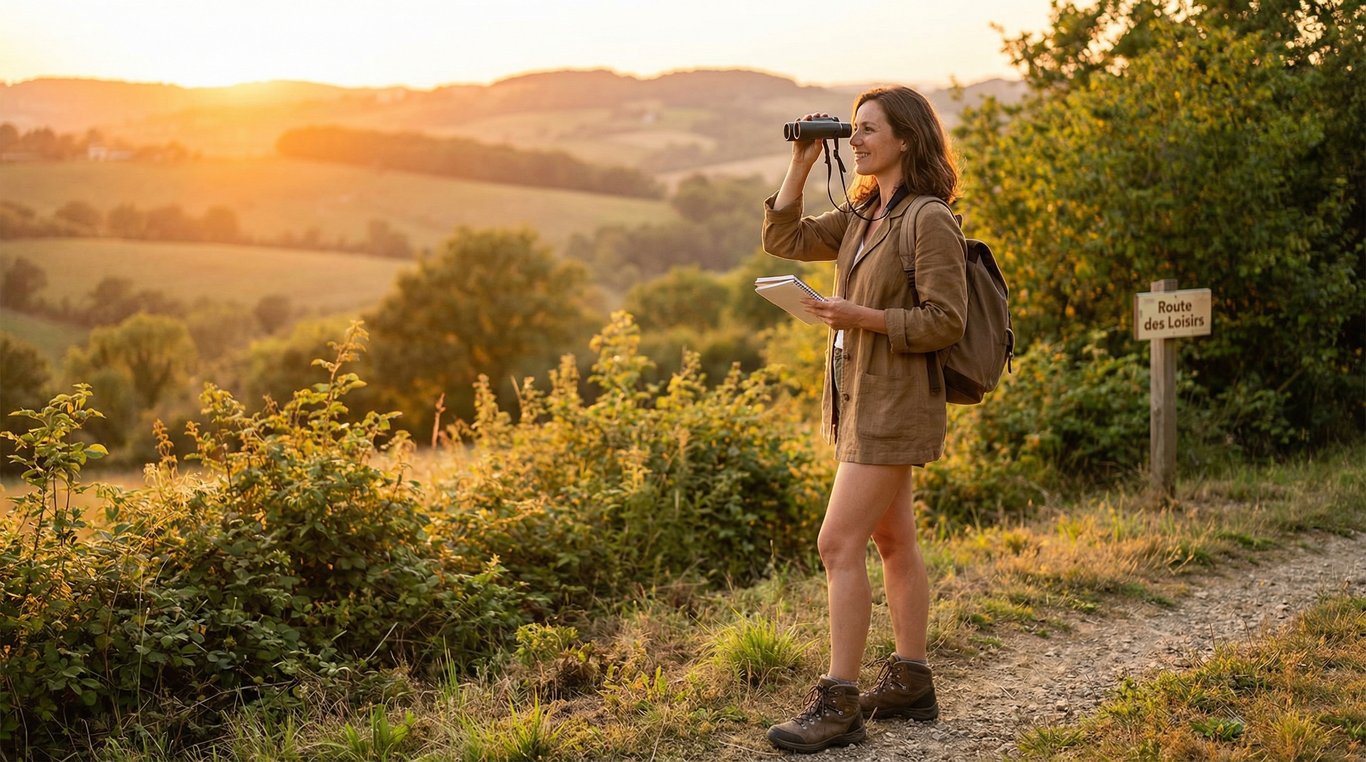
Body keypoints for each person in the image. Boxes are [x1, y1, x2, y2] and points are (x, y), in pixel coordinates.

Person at [760, 86, 968, 753]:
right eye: (852, 131)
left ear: (906, 138)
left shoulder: (927, 218)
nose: (856, 140)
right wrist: (800, 161)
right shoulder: (863, 212)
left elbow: (947, 320)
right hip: (857, 396)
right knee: (891, 542)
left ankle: (840, 703)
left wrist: (861, 317)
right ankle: (911, 681)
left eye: (868, 129)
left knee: (836, 544)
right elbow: (784, 238)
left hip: (897, 399)